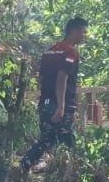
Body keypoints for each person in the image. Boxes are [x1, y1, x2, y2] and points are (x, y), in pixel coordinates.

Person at [19, 16, 88, 173]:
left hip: (46, 102)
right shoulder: (70, 52)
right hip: (61, 104)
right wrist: (61, 106)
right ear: (74, 31)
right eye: (83, 32)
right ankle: (73, 175)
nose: (84, 36)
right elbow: (62, 77)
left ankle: (24, 165)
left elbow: (42, 78)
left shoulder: (49, 51)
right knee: (68, 140)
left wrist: (46, 101)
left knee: (47, 139)